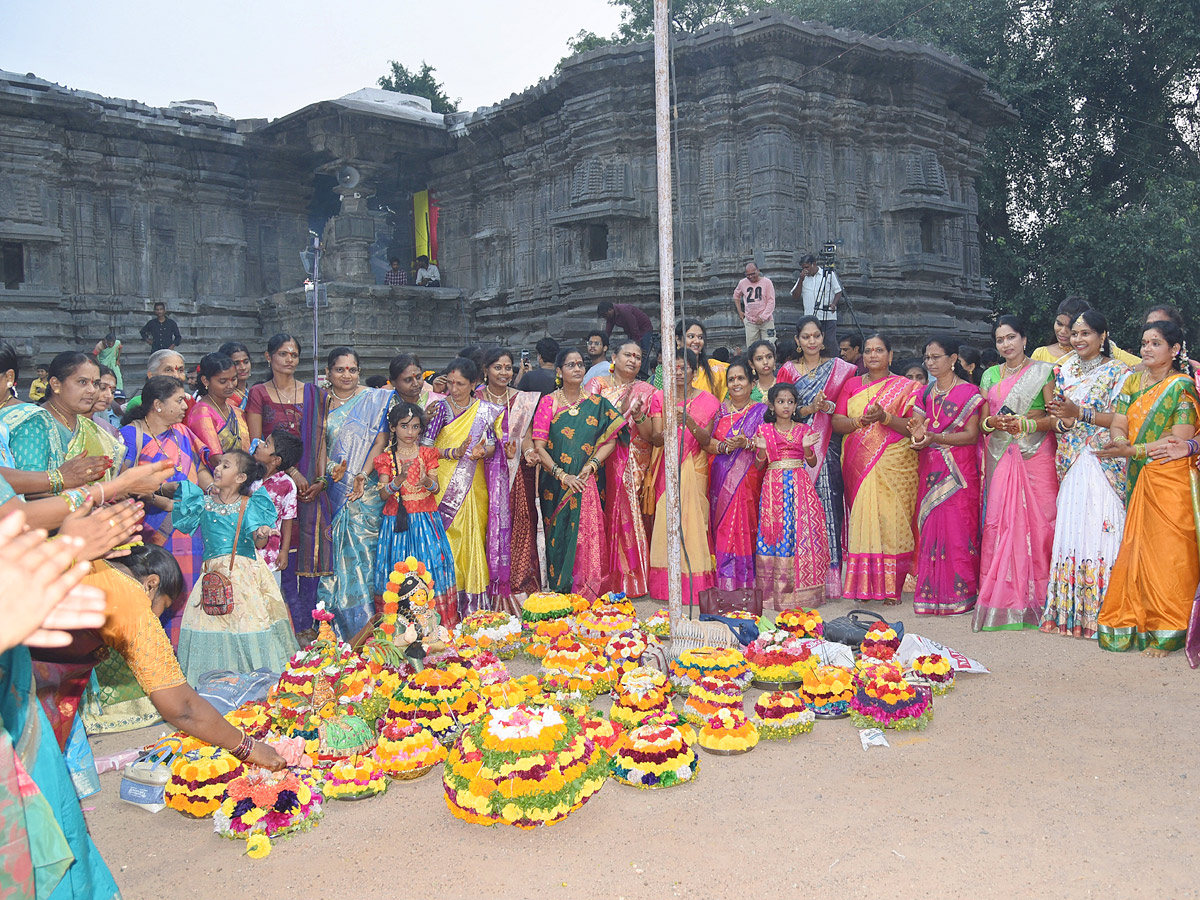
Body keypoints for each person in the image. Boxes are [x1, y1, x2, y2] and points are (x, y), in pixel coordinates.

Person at [38, 544, 288, 773]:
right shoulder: (131, 603)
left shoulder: (97, 560)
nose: (157, 619)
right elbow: (183, 708)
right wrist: (248, 747)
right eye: (164, 607)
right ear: (151, 584)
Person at [1096, 321, 1198, 656]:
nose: (1147, 349)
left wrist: (1133, 451)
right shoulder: (1133, 381)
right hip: (1139, 474)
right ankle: (1141, 624)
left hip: (1171, 478)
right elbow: (1119, 421)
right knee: (1138, 551)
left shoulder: (1182, 387)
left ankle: (1169, 631)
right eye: (1144, 343)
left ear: (1175, 350)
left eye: (1156, 343)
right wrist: (1119, 440)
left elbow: (1178, 440)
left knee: (1167, 556)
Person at [1036, 310, 1130, 638]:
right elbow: (1059, 419)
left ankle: (1108, 614)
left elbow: (1122, 420)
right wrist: (1064, 420)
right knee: (1074, 530)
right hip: (1073, 460)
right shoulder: (1062, 370)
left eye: (1086, 333)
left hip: (1104, 460)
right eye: (1075, 333)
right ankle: (1071, 615)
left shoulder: (1120, 372)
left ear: (1103, 337)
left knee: (1102, 530)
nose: (1078, 339)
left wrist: (1081, 414)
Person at [973, 316, 1058, 632]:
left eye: (1011, 338)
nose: (1005, 344)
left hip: (1035, 452)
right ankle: (1006, 599)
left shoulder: (1042, 372)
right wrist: (993, 423)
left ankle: (1043, 600)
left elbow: (1054, 419)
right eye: (1000, 340)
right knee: (1004, 523)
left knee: (1042, 522)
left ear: (1024, 339)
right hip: (1002, 453)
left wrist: (1027, 423)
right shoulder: (990, 375)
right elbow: (983, 423)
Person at [246, 333, 329, 627]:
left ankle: (308, 620)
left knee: (306, 549)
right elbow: (257, 443)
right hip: (273, 480)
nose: (289, 360)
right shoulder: (259, 392)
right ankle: (277, 622)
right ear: (269, 357)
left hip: (309, 485)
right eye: (283, 354)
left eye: (294, 354)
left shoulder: (312, 393)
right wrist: (291, 471)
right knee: (276, 545)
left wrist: (320, 479)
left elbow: (320, 440)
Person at [120, 375, 211, 642]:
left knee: (188, 590)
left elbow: (200, 468)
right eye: (179, 400)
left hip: (190, 529)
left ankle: (184, 655)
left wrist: (212, 490)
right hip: (152, 530)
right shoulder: (131, 435)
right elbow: (123, 484)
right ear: (157, 404)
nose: (186, 405)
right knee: (156, 588)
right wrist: (165, 501)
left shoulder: (183, 432)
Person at [832, 334, 919, 605]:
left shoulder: (907, 386)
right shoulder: (851, 385)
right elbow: (837, 422)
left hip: (896, 461)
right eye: (868, 351)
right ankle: (864, 585)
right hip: (859, 462)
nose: (872, 355)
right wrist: (860, 421)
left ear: (890, 356)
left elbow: (912, 428)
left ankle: (892, 586)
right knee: (863, 519)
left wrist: (885, 418)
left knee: (892, 520)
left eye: (879, 350)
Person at [314, 348, 392, 638]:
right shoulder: (320, 403)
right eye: (340, 370)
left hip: (367, 488)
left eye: (352, 370)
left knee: (367, 553)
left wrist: (361, 472)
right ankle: (338, 626)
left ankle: (373, 624)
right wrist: (330, 471)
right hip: (335, 488)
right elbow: (318, 445)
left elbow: (381, 439)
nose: (347, 375)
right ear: (328, 373)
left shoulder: (374, 399)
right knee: (337, 557)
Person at [778, 316, 858, 598]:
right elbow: (779, 408)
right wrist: (809, 408)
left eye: (816, 336)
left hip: (829, 444)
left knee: (828, 506)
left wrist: (827, 405)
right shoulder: (788, 371)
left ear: (823, 339)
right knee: (795, 509)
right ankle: (798, 574)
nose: (812, 341)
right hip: (794, 446)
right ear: (798, 341)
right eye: (806, 337)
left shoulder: (842, 370)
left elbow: (848, 406)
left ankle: (830, 578)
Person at [422, 357, 507, 623]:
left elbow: (492, 443)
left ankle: (474, 603)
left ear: (474, 384)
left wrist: (484, 451)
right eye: (450, 382)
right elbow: (424, 448)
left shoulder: (486, 410)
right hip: (443, 482)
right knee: (446, 539)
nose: (454, 389)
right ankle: (445, 604)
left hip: (474, 482)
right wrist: (453, 452)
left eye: (460, 384)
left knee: (473, 536)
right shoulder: (440, 409)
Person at [532, 348, 621, 596]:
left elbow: (610, 441)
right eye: (570, 365)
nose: (577, 368)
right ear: (559, 371)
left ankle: (590, 589)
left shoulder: (597, 403)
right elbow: (539, 447)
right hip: (556, 484)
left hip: (586, 479)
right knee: (558, 536)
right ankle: (561, 589)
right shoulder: (548, 402)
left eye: (580, 364)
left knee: (588, 534)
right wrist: (563, 475)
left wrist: (590, 466)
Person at [907, 337, 984, 616]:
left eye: (936, 357)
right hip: (930, 467)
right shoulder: (924, 394)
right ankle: (932, 597)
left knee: (958, 528)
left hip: (959, 470)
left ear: (953, 359)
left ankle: (961, 595)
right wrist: (917, 437)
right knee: (930, 529)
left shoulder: (970, 392)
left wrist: (935, 437)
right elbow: (915, 426)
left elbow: (972, 435)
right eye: (927, 358)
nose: (930, 363)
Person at [373, 402, 458, 624]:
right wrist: (397, 481)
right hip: (397, 524)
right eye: (404, 426)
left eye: (415, 427)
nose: (410, 432)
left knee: (431, 566)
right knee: (399, 569)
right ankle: (401, 627)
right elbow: (383, 494)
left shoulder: (427, 453)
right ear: (392, 428)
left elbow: (436, 488)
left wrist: (425, 481)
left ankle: (436, 624)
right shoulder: (385, 458)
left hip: (426, 521)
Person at [647, 348, 721, 604]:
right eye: (673, 368)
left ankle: (695, 583)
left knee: (695, 523)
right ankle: (665, 587)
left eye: (683, 368)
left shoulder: (709, 401)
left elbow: (705, 440)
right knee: (667, 522)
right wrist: (669, 422)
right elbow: (656, 439)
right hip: (667, 466)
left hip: (695, 465)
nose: (679, 373)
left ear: (694, 370)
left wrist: (687, 420)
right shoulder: (659, 398)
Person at [588, 339, 659, 597]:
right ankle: (602, 576)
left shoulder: (646, 390)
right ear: (613, 358)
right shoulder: (597, 385)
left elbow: (651, 434)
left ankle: (632, 579)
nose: (633, 360)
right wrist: (621, 409)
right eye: (627, 355)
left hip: (635, 458)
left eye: (637, 357)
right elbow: (589, 420)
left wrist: (637, 414)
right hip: (601, 456)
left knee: (631, 514)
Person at [475, 348, 542, 612]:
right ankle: (488, 587)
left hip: (517, 471)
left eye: (508, 367)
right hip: (484, 471)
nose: (504, 373)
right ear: (485, 370)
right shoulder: (476, 398)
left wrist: (527, 452)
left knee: (520, 523)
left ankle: (519, 584)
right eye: (498, 367)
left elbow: (525, 434)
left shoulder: (522, 400)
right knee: (487, 525)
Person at [754, 382, 829, 609]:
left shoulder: (804, 430)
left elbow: (813, 462)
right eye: (780, 401)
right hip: (772, 486)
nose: (785, 406)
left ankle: (799, 595)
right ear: (772, 404)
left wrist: (806, 448)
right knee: (773, 533)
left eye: (790, 402)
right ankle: (770, 595)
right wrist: (761, 449)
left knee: (797, 534)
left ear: (796, 405)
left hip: (798, 486)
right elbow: (759, 465)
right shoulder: (764, 431)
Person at [3, 351, 122, 485]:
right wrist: (97, 493)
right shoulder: (34, 422)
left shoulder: (91, 428)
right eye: (82, 382)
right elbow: (29, 488)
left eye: (96, 384)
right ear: (55, 384)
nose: (92, 390)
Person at [704, 358, 766, 613]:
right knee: (723, 528)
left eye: (741, 378)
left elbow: (769, 446)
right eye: (732, 379)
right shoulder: (719, 410)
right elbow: (705, 441)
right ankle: (724, 583)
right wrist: (722, 446)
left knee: (746, 527)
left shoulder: (762, 411)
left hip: (750, 478)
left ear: (752, 383)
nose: (736, 383)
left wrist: (748, 444)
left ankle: (745, 583)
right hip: (720, 479)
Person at [252, 429, 302, 586]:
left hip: (270, 556)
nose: (259, 445)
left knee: (269, 598)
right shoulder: (249, 476)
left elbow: (288, 520)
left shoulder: (287, 485)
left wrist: (284, 551)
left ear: (276, 460)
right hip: (245, 551)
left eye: (266, 444)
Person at [1032, 295, 1140, 368]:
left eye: (1070, 327)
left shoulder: (1103, 351)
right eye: (1059, 324)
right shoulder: (1040, 354)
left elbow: (1142, 366)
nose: (1063, 331)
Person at [185, 352, 249, 470]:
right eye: (223, 381)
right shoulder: (201, 412)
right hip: (217, 479)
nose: (230, 385)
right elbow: (215, 458)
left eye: (233, 379)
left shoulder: (237, 411)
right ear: (205, 381)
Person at [653, 319, 728, 400]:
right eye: (691, 336)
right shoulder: (665, 370)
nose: (696, 341)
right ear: (678, 339)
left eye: (700, 337)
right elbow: (659, 401)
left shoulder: (718, 369)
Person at [791, 254, 842, 356]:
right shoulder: (803, 278)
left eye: (807, 267)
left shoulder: (828, 274)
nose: (805, 270)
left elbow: (838, 291)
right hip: (811, 317)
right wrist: (801, 280)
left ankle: (834, 364)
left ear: (813, 264)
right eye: (803, 268)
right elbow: (795, 296)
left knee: (829, 342)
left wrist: (834, 304)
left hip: (828, 316)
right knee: (812, 343)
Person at [124, 349, 188, 416]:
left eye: (180, 370)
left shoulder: (188, 401)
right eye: (168, 370)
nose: (176, 376)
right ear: (151, 375)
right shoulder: (138, 403)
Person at [733, 262, 776, 346]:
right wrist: (739, 311)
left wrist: (763, 317)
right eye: (748, 275)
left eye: (753, 274)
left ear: (758, 271)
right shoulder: (742, 283)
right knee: (752, 348)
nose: (750, 277)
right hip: (750, 321)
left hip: (766, 320)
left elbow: (771, 301)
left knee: (770, 345)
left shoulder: (767, 282)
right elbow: (736, 296)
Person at [218, 340, 253, 410]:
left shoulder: (250, 393)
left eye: (246, 362)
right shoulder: (225, 398)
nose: (243, 367)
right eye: (236, 363)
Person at [90, 365, 123, 437]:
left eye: (112, 391)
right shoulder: (65, 426)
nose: (109, 395)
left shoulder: (105, 427)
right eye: (102, 388)